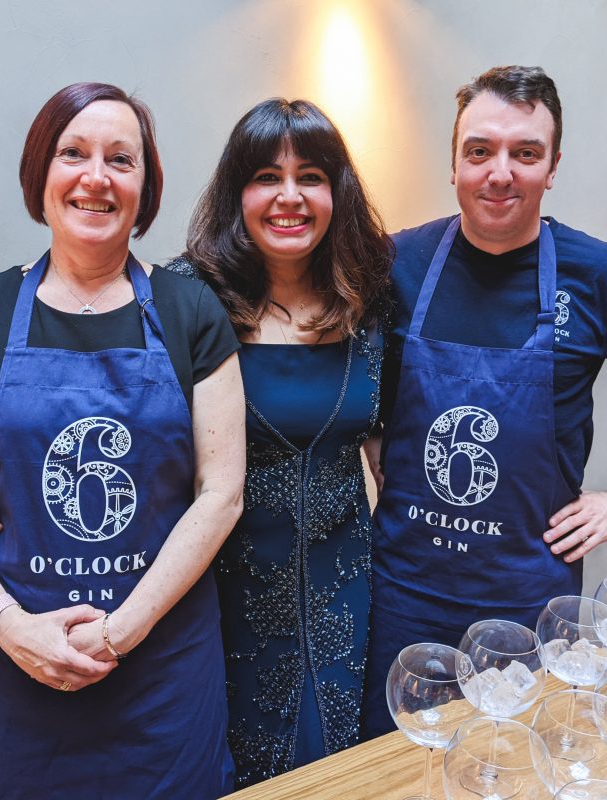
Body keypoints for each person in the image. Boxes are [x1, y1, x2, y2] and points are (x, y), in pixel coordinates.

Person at [0, 82, 245, 799]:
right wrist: (6, 626)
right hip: (12, 669)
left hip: (160, 677)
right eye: (73, 153)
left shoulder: (191, 310)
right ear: (42, 172)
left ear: (144, 186)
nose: (96, 177)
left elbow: (222, 494)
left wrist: (123, 628)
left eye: (121, 159)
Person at [361, 64, 607, 739]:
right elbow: (338, 376)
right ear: (454, 162)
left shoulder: (593, 274)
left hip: (527, 602)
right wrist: (372, 434)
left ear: (552, 166)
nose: (501, 172)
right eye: (481, 151)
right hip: (404, 593)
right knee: (390, 769)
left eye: (525, 153)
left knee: (509, 762)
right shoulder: (395, 264)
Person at [167, 98, 391, 788]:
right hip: (217, 594)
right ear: (238, 192)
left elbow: (392, 449)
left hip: (346, 591)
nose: (289, 196)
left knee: (339, 771)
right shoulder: (185, 298)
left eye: (312, 176)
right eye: (267, 175)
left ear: (337, 192)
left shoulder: (372, 298)